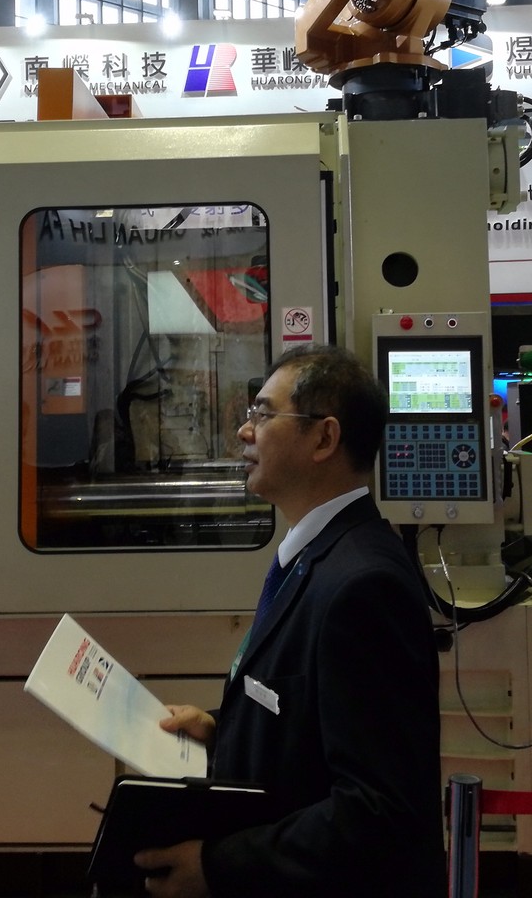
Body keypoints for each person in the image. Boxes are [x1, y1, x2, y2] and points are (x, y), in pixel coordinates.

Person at [136, 344, 443, 897]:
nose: (244, 431)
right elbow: (311, 720)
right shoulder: (313, 557)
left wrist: (219, 867)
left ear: (324, 439)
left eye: (263, 413)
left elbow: (377, 809)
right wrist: (221, 729)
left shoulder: (362, 586)